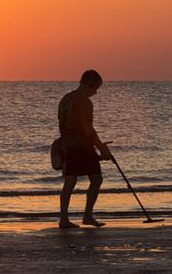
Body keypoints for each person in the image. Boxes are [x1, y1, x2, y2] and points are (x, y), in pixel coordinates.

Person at [58, 69, 112, 228]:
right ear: (90, 84)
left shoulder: (66, 99)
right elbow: (88, 129)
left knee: (70, 181)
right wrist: (102, 148)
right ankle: (87, 216)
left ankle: (63, 219)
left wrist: (65, 143)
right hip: (82, 146)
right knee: (96, 179)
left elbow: (61, 124)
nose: (95, 93)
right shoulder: (85, 102)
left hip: (67, 144)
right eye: (95, 89)